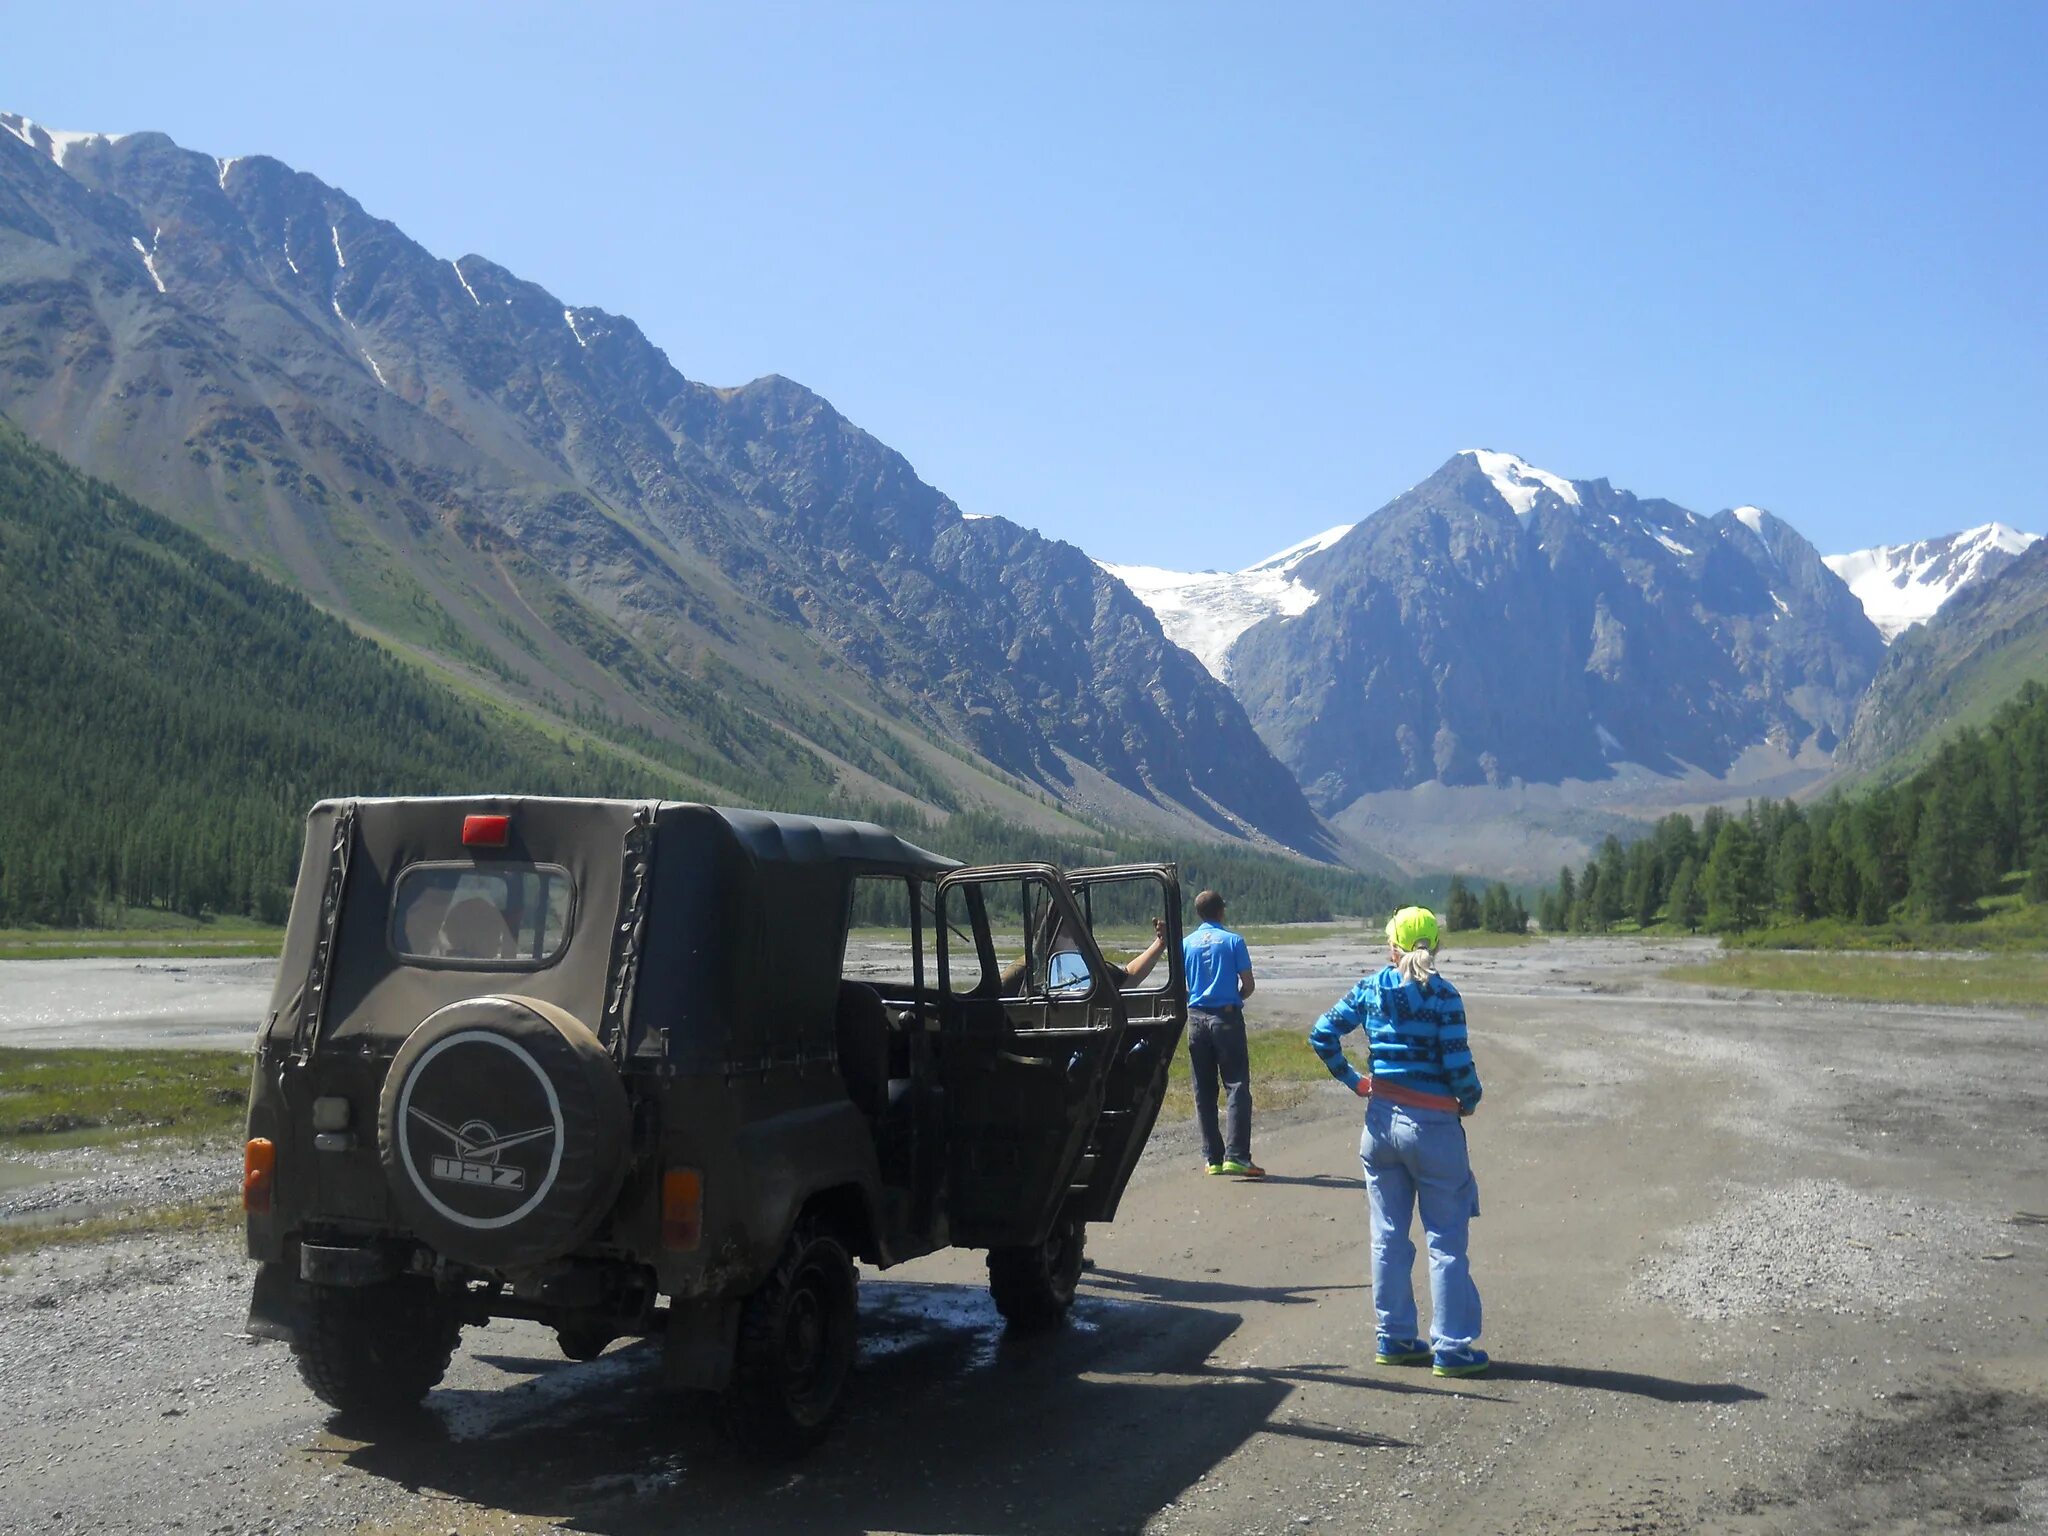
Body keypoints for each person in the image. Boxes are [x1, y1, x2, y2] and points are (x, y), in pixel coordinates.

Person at [1308, 905, 1488, 1377]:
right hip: (1434, 1128)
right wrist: (1469, 1099)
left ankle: (1395, 1338)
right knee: (1445, 1240)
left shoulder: (1370, 988)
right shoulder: (1445, 995)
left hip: (1381, 1123)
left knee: (1387, 1235)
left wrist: (1354, 1080)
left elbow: (1322, 1033)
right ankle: (1451, 1347)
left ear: (1391, 946)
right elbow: (1458, 1065)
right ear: (1436, 946)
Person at [1183, 890, 1261, 1178]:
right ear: (1221, 911)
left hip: (1195, 1019)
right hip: (1225, 1016)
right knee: (1237, 1084)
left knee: (1204, 1089)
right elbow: (1249, 984)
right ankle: (1238, 1155)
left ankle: (1213, 1158)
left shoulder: (1186, 944)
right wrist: (1235, 997)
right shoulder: (1233, 941)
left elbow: (1183, 983)